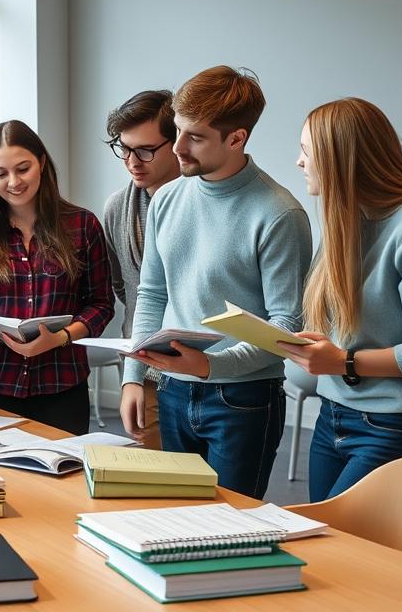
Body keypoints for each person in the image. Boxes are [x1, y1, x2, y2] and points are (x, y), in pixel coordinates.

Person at [127, 66, 312, 499]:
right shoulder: (168, 198)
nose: (177, 147)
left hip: (243, 400)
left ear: (236, 138)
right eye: (177, 131)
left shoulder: (279, 213)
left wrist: (212, 366)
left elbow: (286, 324)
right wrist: (134, 376)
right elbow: (152, 293)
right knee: (179, 516)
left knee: (231, 528)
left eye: (195, 137)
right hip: (172, 388)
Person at [281, 98, 402, 501]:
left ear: (341, 159)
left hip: (398, 426)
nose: (299, 162)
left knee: (351, 553)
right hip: (333, 414)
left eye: (306, 151)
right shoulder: (346, 220)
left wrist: (344, 362)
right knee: (330, 551)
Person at [0, 120, 114, 434]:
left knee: (62, 480)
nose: (14, 182)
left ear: (42, 163)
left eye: (23, 168)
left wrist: (61, 337)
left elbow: (101, 304)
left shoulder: (83, 226)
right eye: (1, 174)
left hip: (62, 385)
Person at [101, 89, 181, 448]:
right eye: (125, 148)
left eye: (146, 150)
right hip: (141, 359)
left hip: (200, 362)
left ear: (177, 141)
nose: (133, 160)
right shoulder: (117, 207)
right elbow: (124, 287)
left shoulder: (199, 200)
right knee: (154, 480)